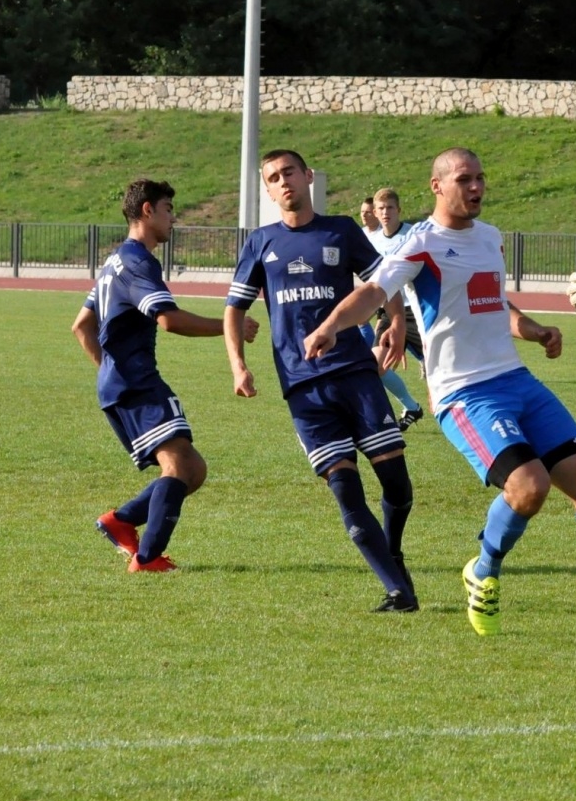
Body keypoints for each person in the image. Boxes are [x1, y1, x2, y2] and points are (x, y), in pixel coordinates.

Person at [305, 147, 576, 637]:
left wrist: (533, 330)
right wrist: (331, 326)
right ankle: (483, 569)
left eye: (480, 178)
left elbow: (493, 302)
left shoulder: (490, 238)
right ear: (437, 186)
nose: (476, 187)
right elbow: (372, 292)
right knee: (529, 487)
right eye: (464, 179)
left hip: (517, 380)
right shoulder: (420, 244)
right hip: (464, 394)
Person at [223, 150, 421, 612]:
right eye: (274, 178)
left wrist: (395, 323)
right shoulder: (260, 242)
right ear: (268, 190)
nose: (283, 182)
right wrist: (238, 365)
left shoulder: (342, 230)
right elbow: (234, 309)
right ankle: (397, 589)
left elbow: (381, 281)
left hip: (355, 373)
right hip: (303, 387)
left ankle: (392, 551)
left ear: (308, 176)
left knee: (396, 483)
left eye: (289, 172)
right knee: (345, 489)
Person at [73, 179, 258, 572]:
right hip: (136, 382)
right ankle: (147, 558)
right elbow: (169, 320)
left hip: (124, 382)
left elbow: (81, 326)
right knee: (177, 466)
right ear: (147, 211)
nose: (174, 218)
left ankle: (121, 521)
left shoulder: (114, 262)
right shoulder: (138, 261)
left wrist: (108, 372)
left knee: (193, 469)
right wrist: (231, 327)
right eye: (169, 209)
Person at [365, 186, 427, 431]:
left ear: (399, 210)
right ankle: (411, 406)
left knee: (440, 367)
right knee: (375, 365)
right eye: (381, 208)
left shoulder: (414, 235)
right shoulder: (371, 241)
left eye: (390, 207)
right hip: (389, 310)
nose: (385, 212)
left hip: (417, 309)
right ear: (375, 213)